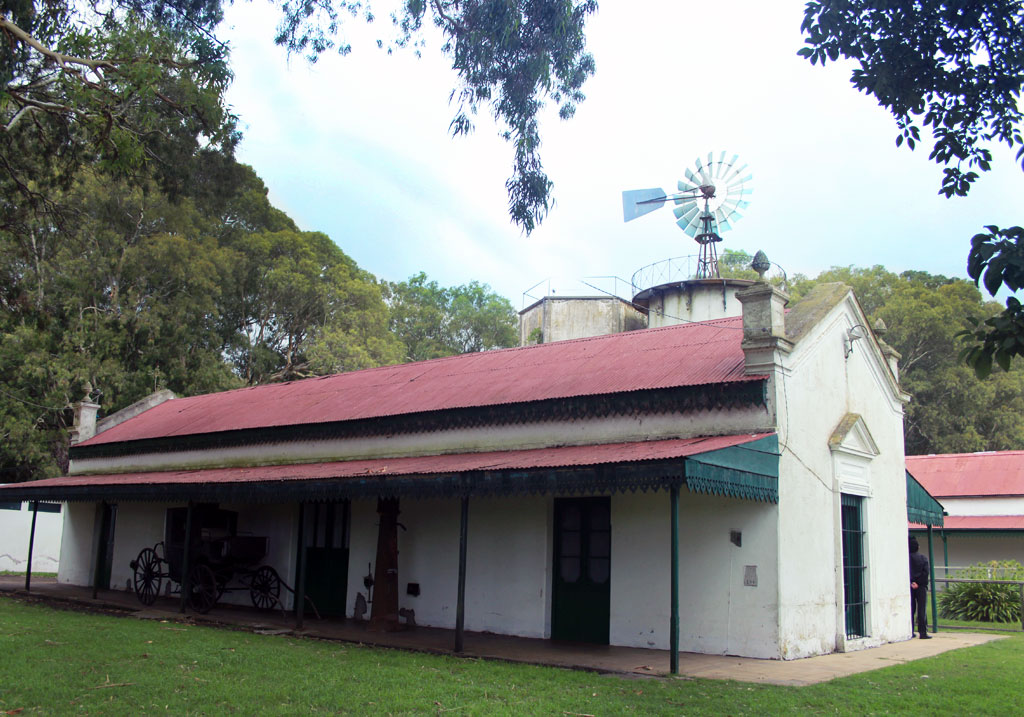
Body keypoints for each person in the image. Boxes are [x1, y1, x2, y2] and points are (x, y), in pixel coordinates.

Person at [909, 536, 932, 639]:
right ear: (918, 547)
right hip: (921, 586)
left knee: (911, 609)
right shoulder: (923, 558)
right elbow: (925, 572)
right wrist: (918, 582)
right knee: (921, 609)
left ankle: (910, 630)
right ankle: (923, 632)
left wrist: (912, 582)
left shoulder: (906, 558)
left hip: (909, 585)